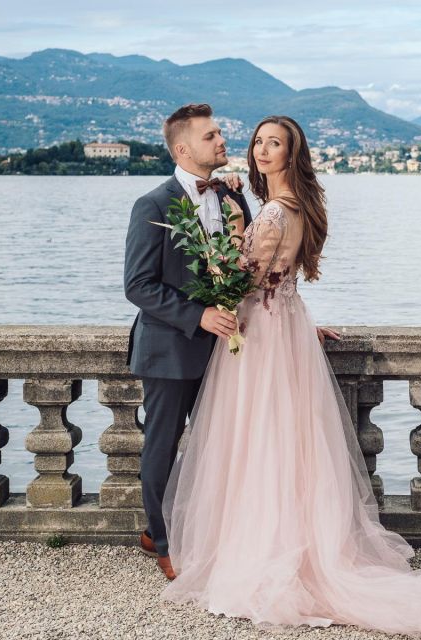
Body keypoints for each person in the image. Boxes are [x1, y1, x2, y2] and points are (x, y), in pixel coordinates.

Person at [158, 115, 421, 638]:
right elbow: (286, 284)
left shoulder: (270, 213)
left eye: (275, 144)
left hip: (261, 338)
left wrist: (224, 241)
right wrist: (304, 324)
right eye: (259, 142)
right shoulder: (300, 208)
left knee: (258, 439)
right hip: (284, 329)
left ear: (292, 156)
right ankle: (296, 538)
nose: (262, 150)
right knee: (289, 439)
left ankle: (264, 550)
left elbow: (242, 281)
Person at [123, 103, 254, 578]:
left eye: (220, 132)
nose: (222, 141)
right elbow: (138, 285)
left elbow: (246, 265)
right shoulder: (153, 205)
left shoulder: (230, 198)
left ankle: (195, 529)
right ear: (182, 149)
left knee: (218, 448)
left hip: (225, 352)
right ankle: (163, 543)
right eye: (211, 135)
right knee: (162, 446)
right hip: (170, 350)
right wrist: (197, 315)